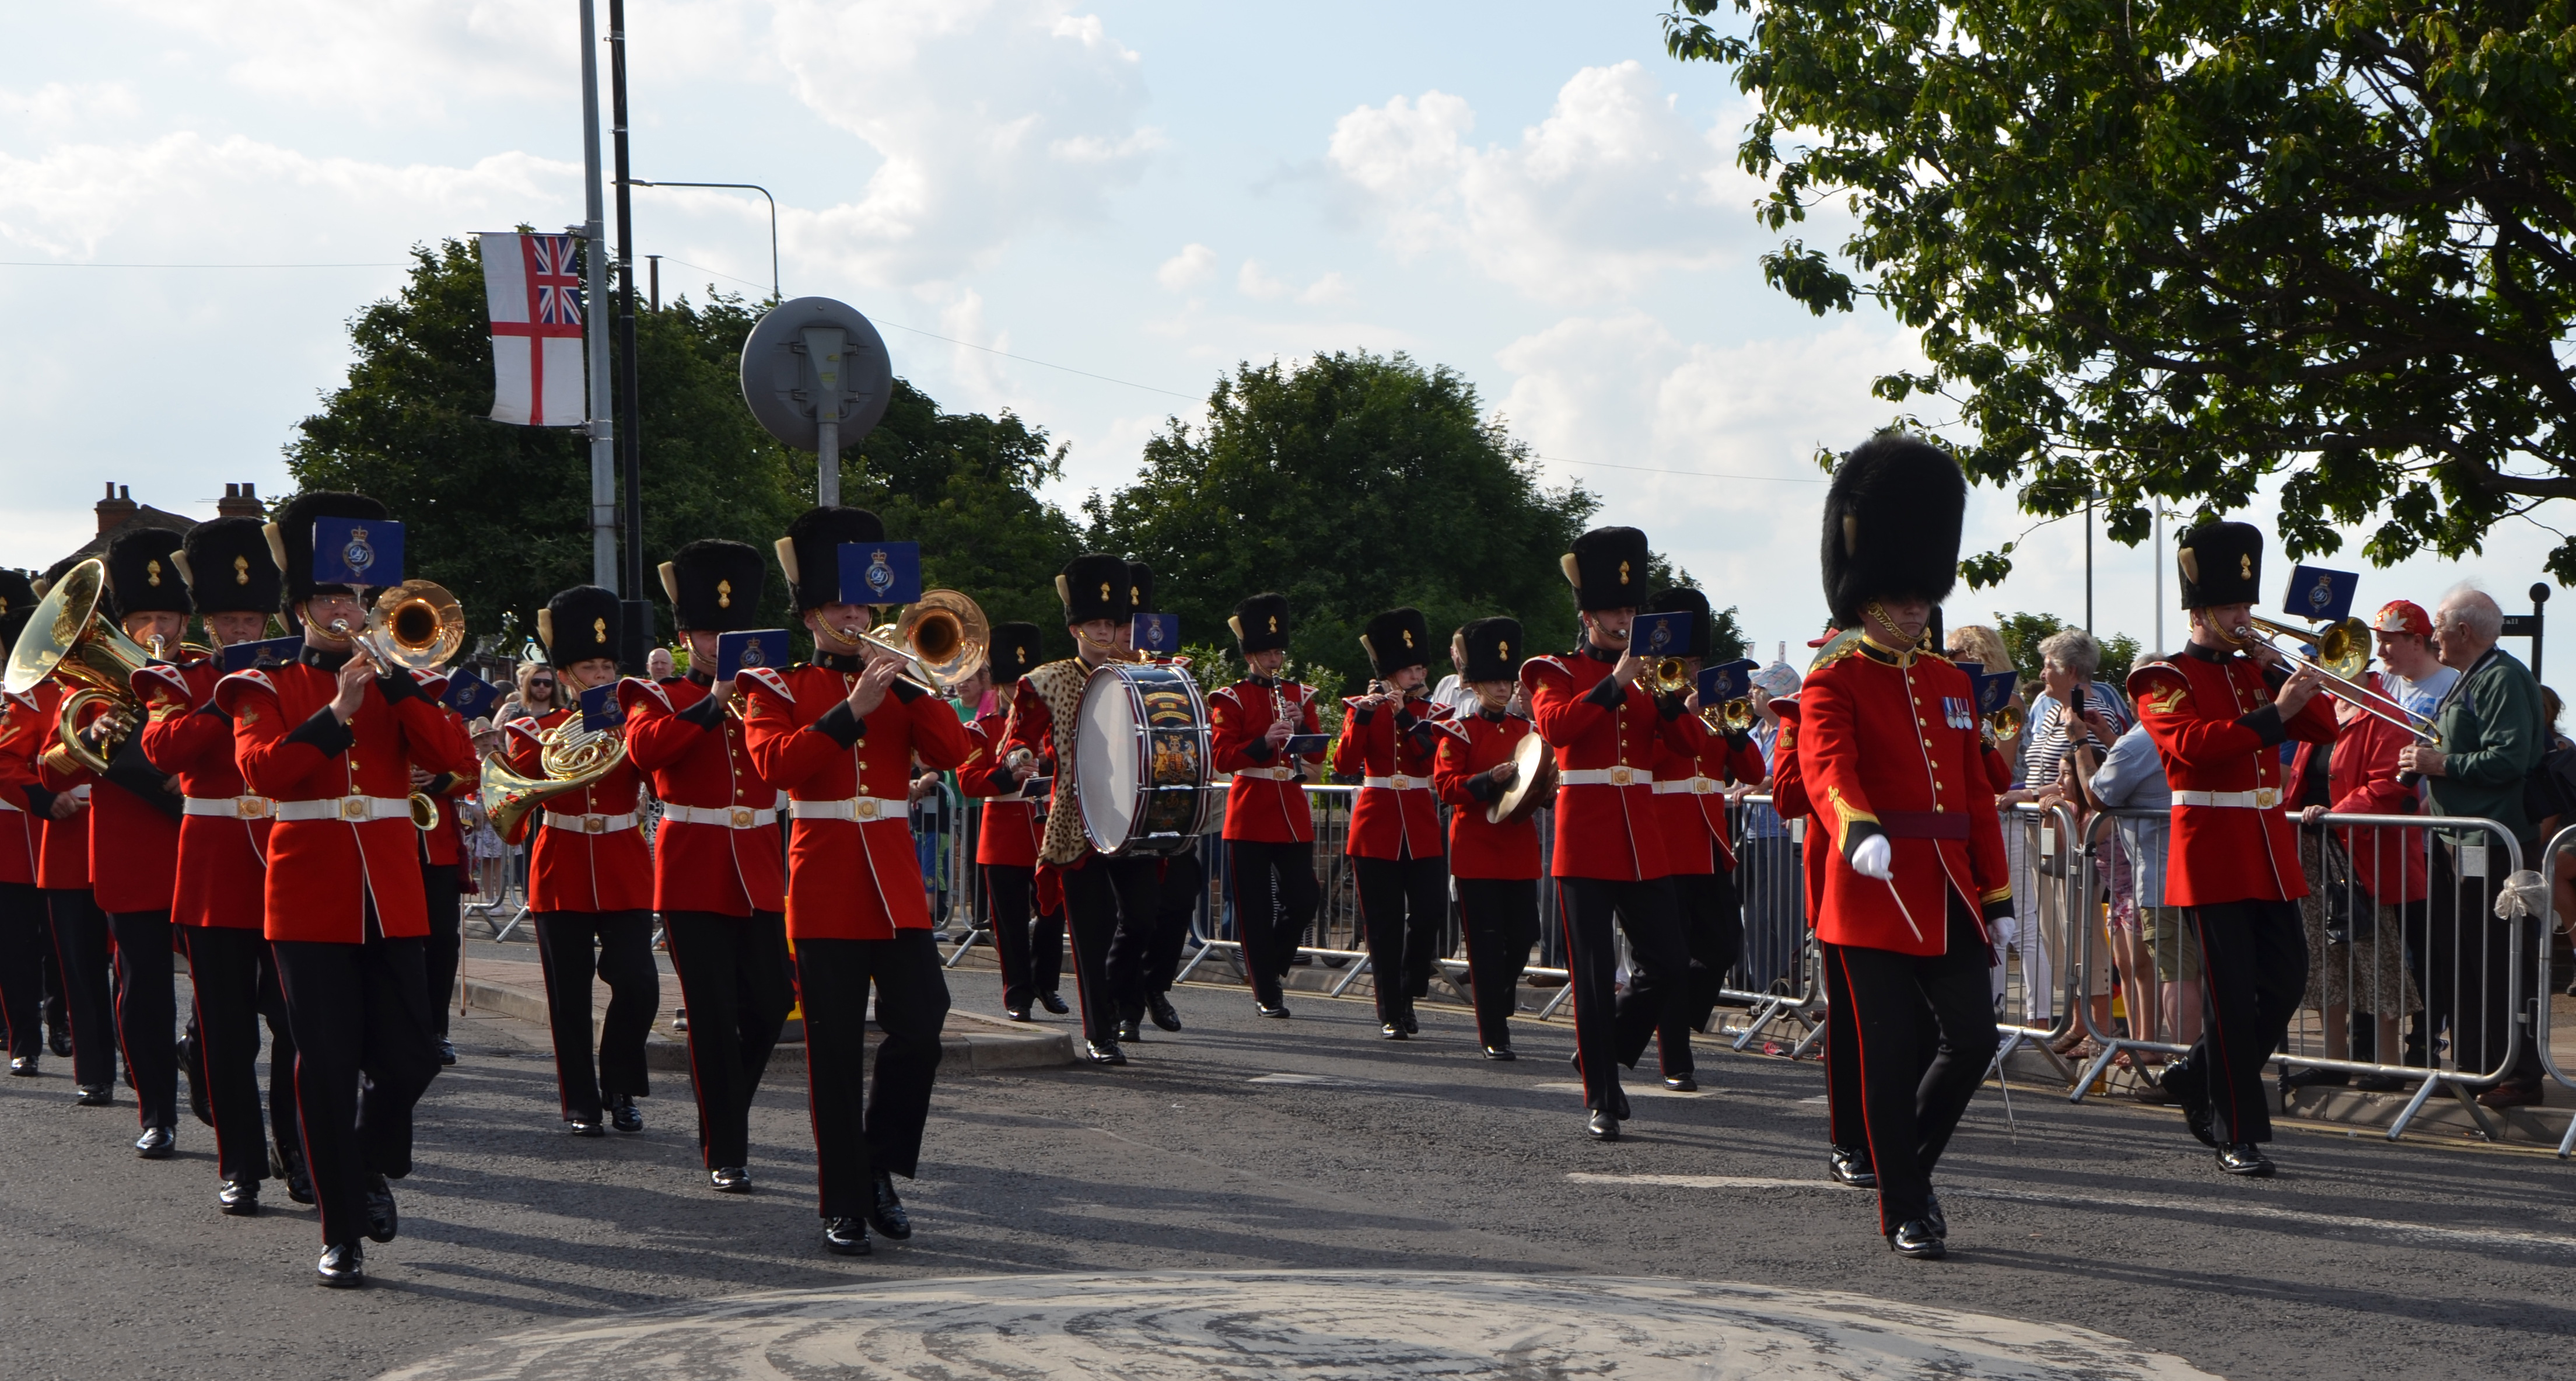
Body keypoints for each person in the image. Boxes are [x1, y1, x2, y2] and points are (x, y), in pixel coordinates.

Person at [220, 490, 475, 1287]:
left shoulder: (406, 681)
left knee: (414, 1056)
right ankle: (340, 1230)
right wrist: (337, 711)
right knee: (324, 1063)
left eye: (362, 597)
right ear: (303, 606)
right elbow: (265, 769)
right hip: (308, 894)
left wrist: (396, 683)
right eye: (335, 597)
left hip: (392, 888)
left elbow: (456, 756)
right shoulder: (264, 681)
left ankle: (364, 1162)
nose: (351, 610)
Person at [740, 505, 975, 1256]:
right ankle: (841, 1199)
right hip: (825, 882)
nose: (855, 614)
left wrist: (907, 688)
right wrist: (851, 711)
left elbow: (956, 750)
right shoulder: (776, 686)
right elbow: (777, 767)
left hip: (895, 882)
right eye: (840, 604)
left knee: (922, 1025)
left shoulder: (904, 685)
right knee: (833, 1052)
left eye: (864, 603)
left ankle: (879, 1166)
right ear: (811, 612)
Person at [1798, 433, 2010, 1258]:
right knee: (1887, 1058)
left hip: (1947, 888)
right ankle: (1905, 1204)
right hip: (1871, 886)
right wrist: (1860, 831)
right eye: (1900, 590)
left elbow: (1974, 801)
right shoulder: (1834, 677)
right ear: (1866, 592)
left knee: (1974, 1041)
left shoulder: (1949, 681)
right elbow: (1826, 768)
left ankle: (1905, 1172)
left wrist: (1998, 898)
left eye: (1923, 590)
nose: (1916, 604)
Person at [2129, 520, 2336, 1178]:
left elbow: (2322, 728)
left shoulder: (2256, 672)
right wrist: (2274, 709)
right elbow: (2193, 748)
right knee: (2229, 993)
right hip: (2212, 849)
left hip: (2268, 850)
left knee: (2285, 981)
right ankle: (2233, 1131)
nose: (2243, 618)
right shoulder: (2162, 677)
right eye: (2229, 607)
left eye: (2245, 605)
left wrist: (2296, 683)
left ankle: (2197, 1072)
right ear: (2199, 611)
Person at [135, 516, 307, 1213]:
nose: (241, 631)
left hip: (289, 862)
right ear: (206, 623)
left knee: (295, 1026)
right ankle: (239, 1163)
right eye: (228, 620)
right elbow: (162, 751)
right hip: (212, 870)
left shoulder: (296, 677)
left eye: (250, 618)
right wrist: (223, 694)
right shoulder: (177, 677)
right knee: (227, 1031)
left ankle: (295, 1147)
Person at [621, 540, 790, 1193]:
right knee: (713, 1014)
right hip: (692, 868)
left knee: (773, 1001)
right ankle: (728, 1146)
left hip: (757, 865)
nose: (721, 642)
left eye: (732, 631)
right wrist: (715, 701)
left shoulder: (773, 692)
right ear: (686, 634)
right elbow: (646, 751)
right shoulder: (656, 692)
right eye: (709, 631)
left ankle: (724, 1113)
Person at [1522, 525, 1700, 1142]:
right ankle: (1602, 1095)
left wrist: (1674, 699)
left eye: (1631, 609)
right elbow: (1559, 728)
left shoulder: (1654, 676)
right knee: (1593, 975)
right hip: (1587, 831)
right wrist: (1618, 681)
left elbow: (1686, 746)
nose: (1625, 618)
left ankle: (1611, 1047)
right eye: (1614, 610)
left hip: (1641, 833)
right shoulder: (1555, 668)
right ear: (1589, 615)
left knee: (1671, 964)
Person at [506, 585, 657, 1138]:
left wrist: (628, 727)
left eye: (606, 665)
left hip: (623, 860)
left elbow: (658, 768)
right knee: (568, 995)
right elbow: (521, 787)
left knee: (639, 984)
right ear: (567, 676)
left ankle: (620, 1083)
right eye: (589, 667)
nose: (600, 675)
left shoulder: (633, 723)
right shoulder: (536, 731)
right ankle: (581, 1100)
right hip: (562, 862)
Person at [1000, 554, 1161, 1065]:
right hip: (1076, 814)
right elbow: (1016, 740)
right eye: (1095, 623)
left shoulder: (1140, 676)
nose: (1105, 631)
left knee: (1141, 917)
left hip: (1133, 814)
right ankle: (1100, 1031)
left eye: (1111, 623)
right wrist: (1019, 759)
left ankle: (1115, 1000)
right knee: (1090, 928)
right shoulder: (1044, 680)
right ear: (1075, 628)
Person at [1618, 585, 1765, 1088]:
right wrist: (1675, 710)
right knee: (1672, 958)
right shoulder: (1646, 703)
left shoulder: (1712, 703)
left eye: (1696, 658)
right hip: (1662, 839)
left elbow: (1751, 769)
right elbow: (1647, 760)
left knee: (1722, 948)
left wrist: (1734, 728)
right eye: (1682, 659)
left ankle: (1647, 1029)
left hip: (1708, 844)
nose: (1690, 667)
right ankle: (1675, 1059)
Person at [2409, 583, 2549, 1110]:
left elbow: (2509, 760)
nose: (2432, 636)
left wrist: (2439, 764)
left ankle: (2516, 1071)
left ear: (2463, 631)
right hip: (2460, 841)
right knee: (2462, 957)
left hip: (2493, 843)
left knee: (2499, 960)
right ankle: (2475, 1064)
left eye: (2438, 626)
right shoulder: (2476, 675)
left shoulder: (2502, 678)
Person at [80, 529, 190, 1159]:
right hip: (130, 856)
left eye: (166, 616)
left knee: (228, 987)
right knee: (143, 988)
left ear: (183, 619)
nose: (157, 628)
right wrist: (92, 733)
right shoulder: (96, 687)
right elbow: (50, 767)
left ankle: (203, 1059)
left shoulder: (206, 676)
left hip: (202, 854)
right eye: (144, 616)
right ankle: (156, 1111)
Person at [2285, 665, 2423, 1095]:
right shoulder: (2323, 709)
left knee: (2374, 955)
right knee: (2323, 956)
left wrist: (2337, 811)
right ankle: (2333, 1060)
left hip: (2364, 855)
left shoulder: (2386, 713)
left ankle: (2388, 1063)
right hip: (2315, 849)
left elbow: (2391, 785)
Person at [1331, 606, 1452, 1039]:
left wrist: (1403, 713)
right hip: (1377, 821)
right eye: (1410, 668)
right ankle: (1391, 1010)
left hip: (1419, 821)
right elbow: (1344, 764)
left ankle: (1408, 987)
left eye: (1421, 666)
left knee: (1428, 914)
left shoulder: (1435, 710)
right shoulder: (1361, 708)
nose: (1418, 673)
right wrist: (1363, 715)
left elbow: (1430, 757)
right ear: (1392, 672)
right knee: (1382, 924)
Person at [1206, 592, 1324, 1018]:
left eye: (1278, 651)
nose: (1275, 660)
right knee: (1254, 908)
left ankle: (1270, 965)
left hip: (1290, 807)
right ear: (1251, 655)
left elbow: (1315, 756)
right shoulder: (1231, 699)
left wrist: (1300, 723)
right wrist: (1263, 743)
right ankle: (1266, 991)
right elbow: (1222, 757)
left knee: (1304, 897)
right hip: (1251, 805)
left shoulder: (1299, 694)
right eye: (1267, 653)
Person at [1429, 618, 1544, 1058]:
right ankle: (1494, 1033)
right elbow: (1446, 787)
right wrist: (1485, 779)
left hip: (1516, 847)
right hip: (1477, 847)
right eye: (1494, 680)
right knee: (1485, 942)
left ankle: (1497, 994)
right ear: (1475, 685)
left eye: (1507, 679)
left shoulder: (1525, 732)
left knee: (1523, 935)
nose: (1503, 687)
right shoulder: (1457, 731)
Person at [958, 623, 1062, 1021]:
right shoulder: (981, 730)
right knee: (1011, 924)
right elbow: (968, 781)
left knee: (1053, 914)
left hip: (1048, 831)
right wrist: (1006, 777)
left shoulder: (1053, 727)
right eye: (1009, 683)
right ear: (996, 685)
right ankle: (1018, 994)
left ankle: (1047, 983)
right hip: (1002, 835)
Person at [1112, 560, 1198, 1039]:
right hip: (1120, 812)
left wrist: (1183, 685)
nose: (1129, 635)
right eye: (1120, 625)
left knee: (1179, 904)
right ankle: (1126, 1005)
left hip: (1168, 808)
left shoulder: (1167, 674)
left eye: (1133, 625)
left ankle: (1155, 986)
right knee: (1133, 917)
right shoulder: (1097, 672)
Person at [2085, 712, 2202, 1062]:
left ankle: (2185, 1067)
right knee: (2193, 975)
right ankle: (2200, 1063)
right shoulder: (2193, 729)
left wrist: (2079, 744)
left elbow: (2098, 797)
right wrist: (2107, 735)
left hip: (2162, 879)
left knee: (2176, 976)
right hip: (2198, 875)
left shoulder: (2143, 739)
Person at [0, 570, 54, 1080]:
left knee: (62, 943)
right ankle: (23, 1038)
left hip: (54, 827)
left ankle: (62, 1018)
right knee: (14, 946)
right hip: (8, 839)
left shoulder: (48, 692)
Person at [2370, 600, 2456, 721]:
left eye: (2388, 641)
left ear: (2417, 642)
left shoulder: (2454, 685)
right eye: (2379, 642)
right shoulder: (2380, 683)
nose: (2379, 652)